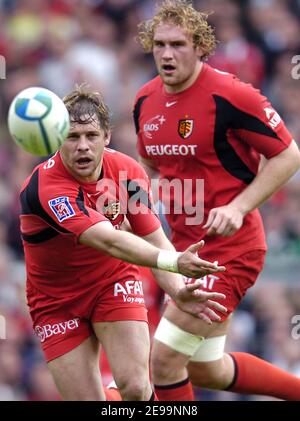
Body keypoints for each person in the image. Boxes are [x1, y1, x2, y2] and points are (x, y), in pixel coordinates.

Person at [134, 0, 300, 401]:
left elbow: (289, 154)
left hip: (231, 250)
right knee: (205, 368)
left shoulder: (231, 94)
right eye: (159, 44)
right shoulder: (145, 100)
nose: (167, 54)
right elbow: (147, 168)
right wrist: (135, 207)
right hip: (184, 253)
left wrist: (238, 207)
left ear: (201, 48)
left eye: (178, 44)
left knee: (163, 362)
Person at [20, 85, 227, 401]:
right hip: (55, 302)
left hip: (111, 283)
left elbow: (154, 236)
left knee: (135, 386)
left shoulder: (130, 173)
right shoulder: (45, 187)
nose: (83, 147)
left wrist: (177, 291)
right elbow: (109, 241)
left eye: (91, 135)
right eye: (72, 137)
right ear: (56, 139)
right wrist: (173, 262)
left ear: (107, 136)